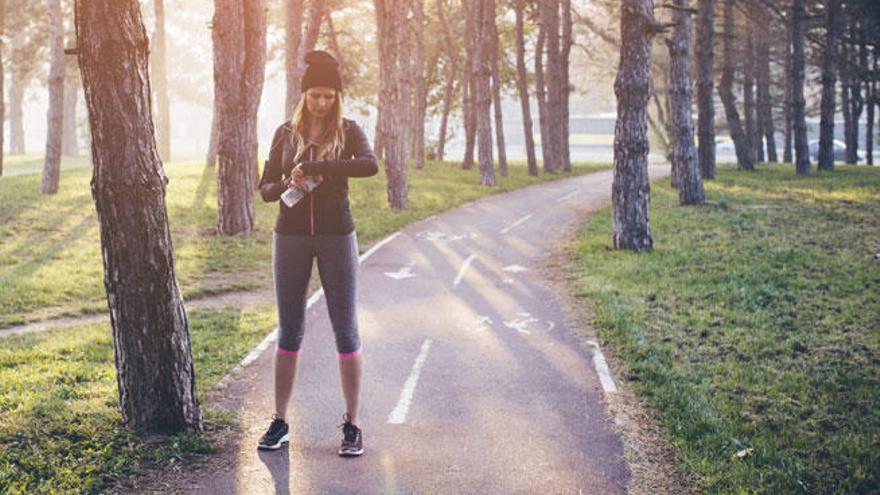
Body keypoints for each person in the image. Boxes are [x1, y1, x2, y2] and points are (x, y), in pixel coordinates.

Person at [255, 50, 378, 457]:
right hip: (290, 237)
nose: (321, 103)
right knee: (289, 331)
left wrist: (325, 167)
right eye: (315, 95)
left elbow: (369, 165)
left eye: (328, 95)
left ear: (337, 96)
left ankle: (352, 424)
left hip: (335, 236)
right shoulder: (284, 134)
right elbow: (267, 188)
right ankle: (279, 421)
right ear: (304, 95)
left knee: (346, 330)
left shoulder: (349, 130)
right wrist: (290, 177)